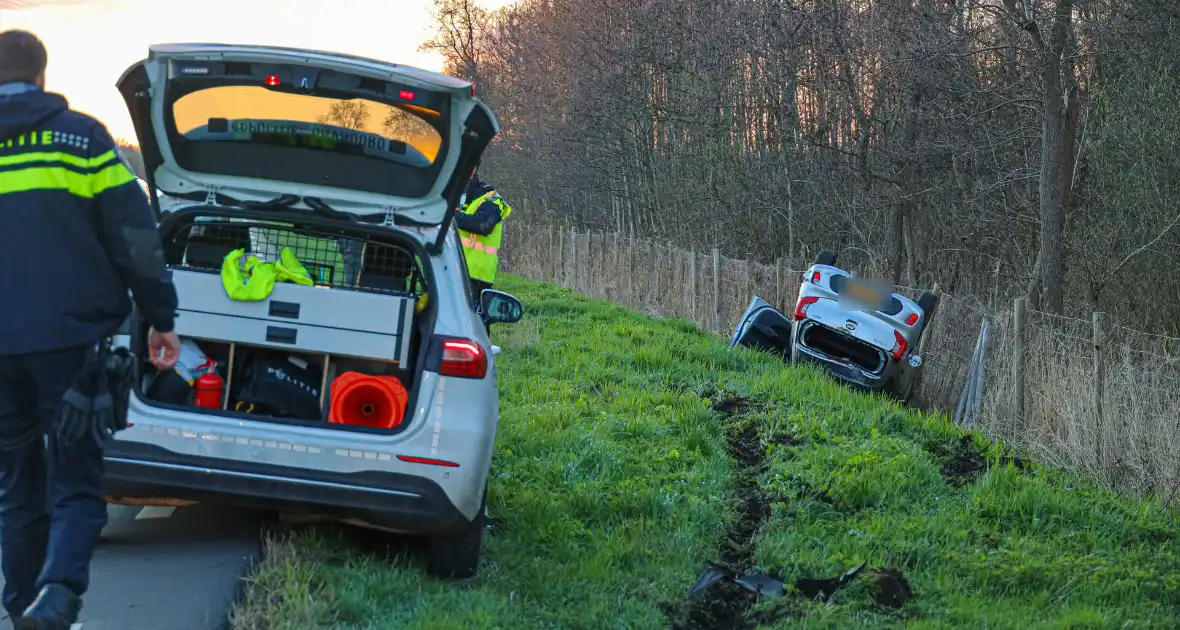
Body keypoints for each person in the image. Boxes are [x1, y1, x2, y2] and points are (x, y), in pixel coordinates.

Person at [0, 30, 180, 630]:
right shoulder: (82, 141)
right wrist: (161, 318)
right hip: (71, 347)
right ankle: (56, 599)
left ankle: (21, 602)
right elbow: (135, 238)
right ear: (43, 76)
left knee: (17, 484)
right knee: (76, 480)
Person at [454, 167, 512, 307]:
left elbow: (484, 224)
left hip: (476, 275)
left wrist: (449, 215)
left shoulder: (491, 198)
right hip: (450, 268)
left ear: (473, 168)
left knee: (471, 322)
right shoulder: (452, 191)